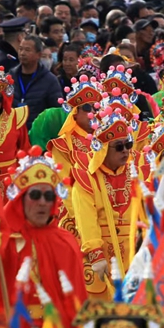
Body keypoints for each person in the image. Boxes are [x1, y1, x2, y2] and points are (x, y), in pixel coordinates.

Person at [0, 147, 87, 328]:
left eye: (49, 196)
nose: (42, 202)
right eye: (35, 195)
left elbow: (77, 304)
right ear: (20, 198)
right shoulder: (3, 240)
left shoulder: (66, 242)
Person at [72, 107, 143, 299]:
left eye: (128, 144)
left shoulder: (137, 172)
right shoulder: (86, 178)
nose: (125, 151)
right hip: (102, 258)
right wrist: (96, 253)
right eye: (118, 147)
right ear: (103, 149)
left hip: (136, 254)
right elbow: (86, 219)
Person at [47, 71, 101, 238]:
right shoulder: (62, 145)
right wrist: (82, 218)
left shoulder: (106, 140)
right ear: (75, 112)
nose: (92, 113)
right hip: (75, 213)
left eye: (96, 107)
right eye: (87, 108)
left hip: (106, 209)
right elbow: (66, 186)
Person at [12, 34, 63, 128]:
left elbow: (56, 113)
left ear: (39, 55)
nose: (22, 53)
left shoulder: (50, 81)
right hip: (13, 131)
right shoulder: (10, 77)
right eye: (20, 49)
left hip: (37, 133)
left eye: (27, 50)